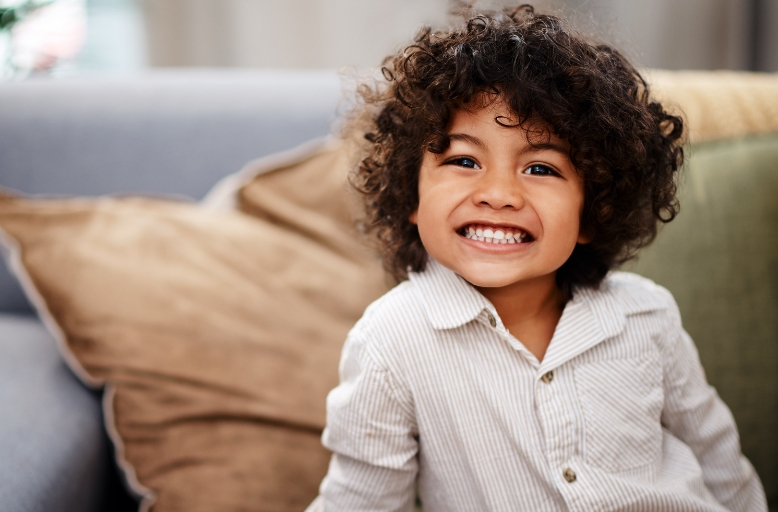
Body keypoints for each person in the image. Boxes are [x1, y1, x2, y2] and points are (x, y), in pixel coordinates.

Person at [307, 4, 767, 511]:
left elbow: (722, 467)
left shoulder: (647, 317)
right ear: (411, 197)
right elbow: (361, 501)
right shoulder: (392, 341)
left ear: (593, 212)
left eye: (541, 169)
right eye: (464, 160)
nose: (499, 193)